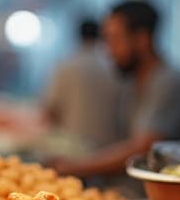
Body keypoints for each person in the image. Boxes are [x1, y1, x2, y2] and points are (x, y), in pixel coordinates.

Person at [51, 0, 180, 184]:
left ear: (142, 39)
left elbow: (143, 147)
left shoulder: (170, 82)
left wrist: (75, 167)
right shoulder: (132, 85)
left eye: (115, 40)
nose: (109, 51)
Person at [41, 19, 121, 150]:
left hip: (72, 147)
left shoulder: (65, 65)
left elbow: (51, 110)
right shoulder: (112, 66)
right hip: (109, 147)